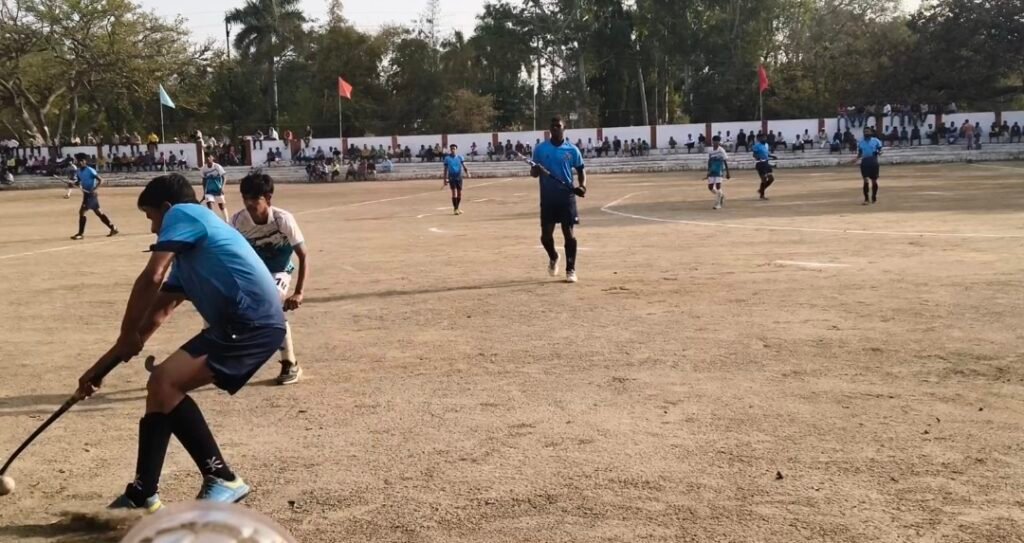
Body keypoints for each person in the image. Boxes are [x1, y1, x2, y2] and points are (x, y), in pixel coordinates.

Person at [78, 173, 285, 511]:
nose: (153, 229)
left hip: (251, 321)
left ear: (166, 208)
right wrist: (100, 369)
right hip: (243, 323)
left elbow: (152, 276)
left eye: (151, 217)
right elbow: (157, 315)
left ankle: (222, 477)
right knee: (159, 391)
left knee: (165, 381)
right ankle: (143, 493)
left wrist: (126, 333)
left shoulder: (185, 213)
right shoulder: (190, 258)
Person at [231, 173, 309, 385]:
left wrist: (299, 292)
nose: (249, 204)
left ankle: (290, 363)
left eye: (254, 198)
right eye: (245, 198)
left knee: (271, 302)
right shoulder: (237, 221)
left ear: (268, 198)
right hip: (254, 273)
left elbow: (303, 255)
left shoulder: (283, 219)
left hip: (279, 271)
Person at [532, 116, 586, 284]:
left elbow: (581, 170)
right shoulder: (540, 149)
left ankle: (570, 269)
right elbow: (533, 173)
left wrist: (582, 186)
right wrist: (537, 170)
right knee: (545, 236)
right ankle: (554, 256)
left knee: (569, 234)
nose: (555, 128)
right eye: (552, 126)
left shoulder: (572, 150)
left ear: (564, 128)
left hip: (566, 197)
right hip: (548, 197)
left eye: (558, 126)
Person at [69, 153, 119, 239]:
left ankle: (80, 234)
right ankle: (113, 227)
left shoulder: (90, 170)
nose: (80, 162)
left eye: (81, 161)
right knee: (98, 212)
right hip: (86, 194)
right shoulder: (78, 171)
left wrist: (95, 189)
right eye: (78, 161)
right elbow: (79, 181)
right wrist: (73, 183)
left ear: (85, 161)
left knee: (82, 212)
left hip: (91, 194)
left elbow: (101, 180)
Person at [852, 127, 883, 205]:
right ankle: (866, 199)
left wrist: (879, 152)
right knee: (865, 180)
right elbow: (860, 154)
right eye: (865, 131)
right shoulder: (861, 142)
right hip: (865, 162)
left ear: (871, 132)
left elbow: (880, 151)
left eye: (868, 131)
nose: (866, 133)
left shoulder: (876, 141)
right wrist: (856, 159)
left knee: (874, 181)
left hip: (873, 162)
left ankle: (874, 196)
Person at [443, 144, 470, 215]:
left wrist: (467, 173)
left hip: (459, 177)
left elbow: (464, 166)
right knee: (454, 192)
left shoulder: (460, 157)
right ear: (450, 149)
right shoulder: (447, 158)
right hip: (452, 177)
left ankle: (457, 208)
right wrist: (445, 179)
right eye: (451, 149)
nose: (453, 150)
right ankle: (455, 209)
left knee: (459, 193)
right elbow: (445, 169)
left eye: (454, 149)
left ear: (456, 149)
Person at [705, 136, 730, 210]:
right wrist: (708, 171)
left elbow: (725, 161)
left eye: (717, 141)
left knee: (718, 186)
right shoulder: (710, 150)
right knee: (710, 187)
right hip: (712, 170)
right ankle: (720, 195)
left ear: (719, 142)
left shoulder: (721, 150)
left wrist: (728, 172)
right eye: (714, 141)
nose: (716, 142)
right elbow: (709, 161)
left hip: (719, 170)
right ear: (712, 141)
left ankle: (718, 204)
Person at [201, 155, 229, 221]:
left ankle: (226, 220)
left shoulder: (217, 166)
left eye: (209, 157)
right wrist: (204, 192)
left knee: (221, 206)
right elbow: (204, 181)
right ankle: (212, 220)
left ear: (212, 159)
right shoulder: (203, 169)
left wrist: (222, 187)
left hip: (218, 189)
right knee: (209, 204)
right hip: (209, 190)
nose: (208, 158)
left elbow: (224, 177)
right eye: (206, 158)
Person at [752, 134, 777, 200]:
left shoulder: (766, 145)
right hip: (760, 163)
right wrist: (758, 158)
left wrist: (772, 156)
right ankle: (762, 195)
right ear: (759, 139)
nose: (765, 139)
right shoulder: (756, 146)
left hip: (766, 163)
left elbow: (766, 153)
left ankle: (761, 190)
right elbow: (754, 155)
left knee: (771, 179)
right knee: (764, 179)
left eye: (765, 138)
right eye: (763, 138)